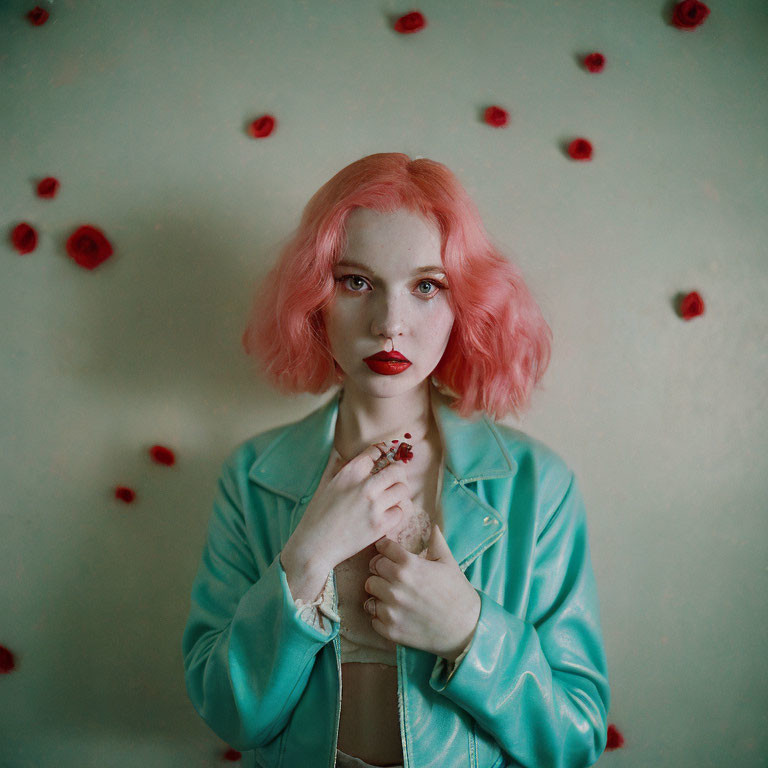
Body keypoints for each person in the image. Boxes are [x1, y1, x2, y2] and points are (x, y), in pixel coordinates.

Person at [181, 153, 611, 768]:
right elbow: (231, 714)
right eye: (356, 282)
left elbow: (574, 739)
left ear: (466, 303)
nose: (390, 324)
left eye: (427, 286)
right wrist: (303, 564)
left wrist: (468, 632)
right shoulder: (252, 476)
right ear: (314, 299)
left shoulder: (538, 486)